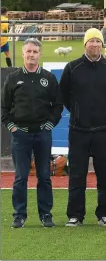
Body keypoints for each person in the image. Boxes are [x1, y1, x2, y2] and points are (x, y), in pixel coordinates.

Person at [1, 38, 63, 228]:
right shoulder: (13, 78)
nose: (31, 55)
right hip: (21, 135)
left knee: (44, 176)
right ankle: (19, 215)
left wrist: (50, 124)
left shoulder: (49, 78)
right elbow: (4, 108)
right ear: (23, 53)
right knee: (21, 176)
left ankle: (46, 214)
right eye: (28, 51)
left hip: (42, 135)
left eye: (35, 52)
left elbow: (58, 106)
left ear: (40, 54)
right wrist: (12, 127)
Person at [60, 28, 106, 227]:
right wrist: (78, 112)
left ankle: (105, 214)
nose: (94, 44)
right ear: (85, 45)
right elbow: (64, 95)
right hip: (78, 131)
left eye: (98, 41)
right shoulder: (72, 67)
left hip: (103, 130)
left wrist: (103, 111)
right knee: (77, 175)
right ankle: (75, 215)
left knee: (105, 175)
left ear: (102, 44)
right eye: (91, 41)